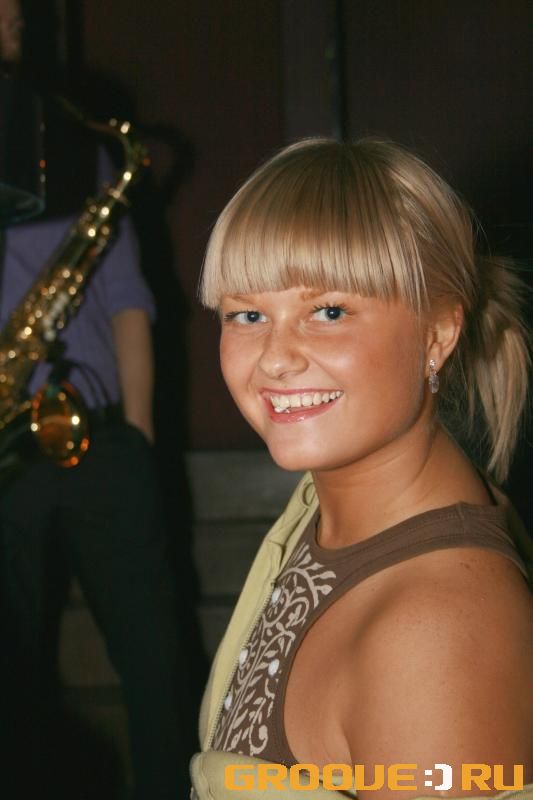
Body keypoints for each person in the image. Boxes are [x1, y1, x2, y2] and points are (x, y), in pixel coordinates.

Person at [190, 138, 533, 799]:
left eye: (328, 311)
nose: (275, 358)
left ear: (437, 334)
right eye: (247, 315)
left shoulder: (432, 633)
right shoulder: (326, 509)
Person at [0, 4, 187, 798]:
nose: (16, 18)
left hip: (101, 435)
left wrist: (137, 437)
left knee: (156, 665)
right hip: (5, 454)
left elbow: (128, 299)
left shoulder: (80, 144)